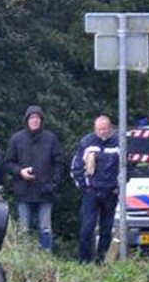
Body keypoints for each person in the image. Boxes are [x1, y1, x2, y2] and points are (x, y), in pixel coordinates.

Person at [7, 105, 65, 252]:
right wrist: (21, 172)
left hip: (45, 190)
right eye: (32, 118)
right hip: (23, 190)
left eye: (37, 118)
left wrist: (55, 181)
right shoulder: (17, 139)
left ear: (41, 120)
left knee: (45, 228)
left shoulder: (50, 138)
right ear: (27, 120)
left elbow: (59, 162)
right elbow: (7, 163)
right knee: (24, 229)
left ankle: (46, 257)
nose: (35, 121)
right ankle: (25, 258)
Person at [71, 114, 123, 263]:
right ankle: (84, 261)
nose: (103, 132)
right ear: (95, 129)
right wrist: (85, 186)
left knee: (106, 230)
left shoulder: (119, 143)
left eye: (105, 128)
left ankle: (102, 261)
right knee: (87, 228)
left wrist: (119, 186)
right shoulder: (87, 142)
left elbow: (126, 167)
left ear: (110, 127)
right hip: (92, 192)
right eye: (100, 129)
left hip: (111, 192)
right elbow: (76, 167)